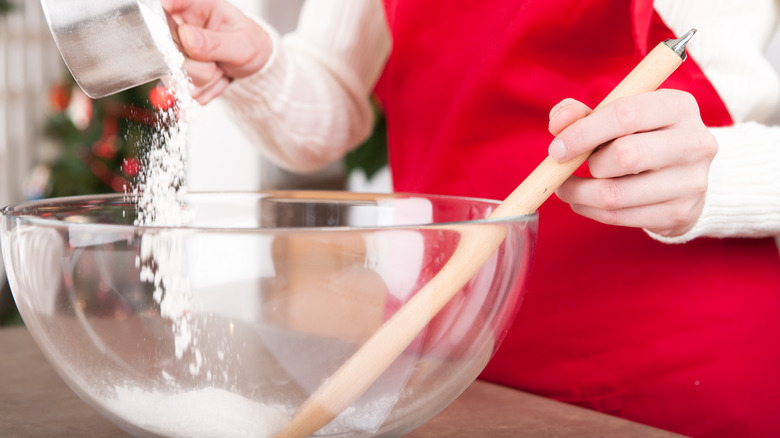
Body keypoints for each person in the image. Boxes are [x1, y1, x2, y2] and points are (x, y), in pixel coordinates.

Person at [160, 0, 780, 436]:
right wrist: (262, 63)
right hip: (445, 364)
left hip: (679, 370)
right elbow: (333, 104)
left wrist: (718, 176)